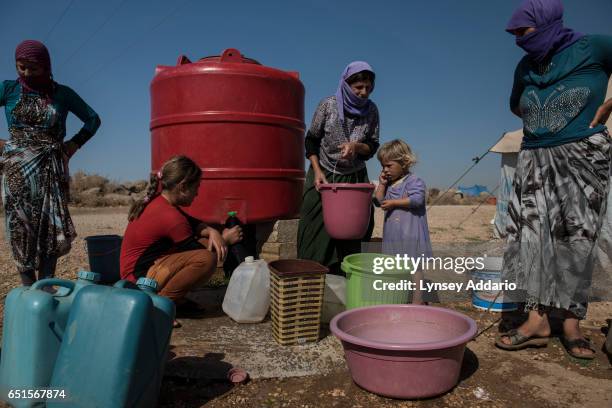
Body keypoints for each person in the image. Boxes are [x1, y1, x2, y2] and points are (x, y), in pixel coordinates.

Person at [495, 0, 612, 360]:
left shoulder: (592, 47)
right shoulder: (525, 66)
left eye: (523, 31)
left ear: (546, 23)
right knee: (531, 238)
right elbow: (516, 104)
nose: (517, 40)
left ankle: (571, 322)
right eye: (513, 34)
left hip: (582, 155)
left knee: (576, 239)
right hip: (534, 155)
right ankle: (537, 321)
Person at [0, 40, 101, 286]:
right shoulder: (9, 89)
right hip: (16, 169)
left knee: (50, 225)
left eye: (32, 68)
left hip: (51, 168)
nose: (25, 73)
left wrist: (73, 145)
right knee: (20, 225)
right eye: (21, 67)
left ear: (46, 67)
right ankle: (27, 288)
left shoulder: (62, 94)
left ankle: (46, 285)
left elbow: (93, 119)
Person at [120, 155, 242, 327]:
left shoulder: (161, 202)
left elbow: (191, 222)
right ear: (183, 187)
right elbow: (202, 254)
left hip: (140, 272)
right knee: (206, 260)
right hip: (137, 281)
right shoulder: (170, 217)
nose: (198, 193)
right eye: (196, 187)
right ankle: (159, 305)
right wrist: (225, 240)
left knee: (204, 247)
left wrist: (211, 231)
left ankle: (172, 298)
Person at [297, 61, 379, 274]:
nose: (364, 93)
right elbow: (311, 140)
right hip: (323, 173)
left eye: (368, 88)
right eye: (359, 87)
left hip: (354, 177)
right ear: (346, 84)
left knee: (355, 227)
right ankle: (311, 274)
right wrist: (317, 171)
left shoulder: (371, 110)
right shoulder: (328, 105)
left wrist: (357, 146)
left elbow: (372, 146)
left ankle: (347, 275)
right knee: (314, 224)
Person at [374, 139, 432, 305]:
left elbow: (418, 200)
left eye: (389, 165)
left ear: (404, 162)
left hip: (411, 233)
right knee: (396, 266)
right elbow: (379, 201)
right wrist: (382, 185)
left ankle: (417, 301)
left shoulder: (414, 181)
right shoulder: (390, 184)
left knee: (415, 268)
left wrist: (394, 203)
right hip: (394, 235)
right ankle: (399, 297)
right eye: (383, 166)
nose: (385, 170)